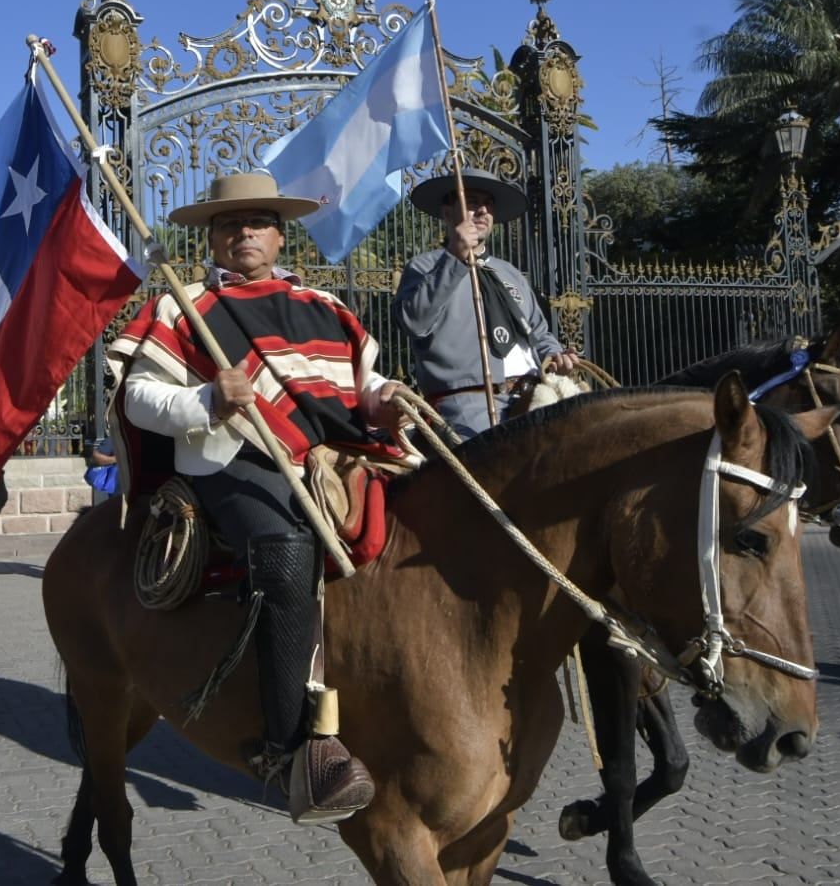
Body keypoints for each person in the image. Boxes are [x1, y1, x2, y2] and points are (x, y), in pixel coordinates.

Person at [107, 170, 407, 824]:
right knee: (282, 551)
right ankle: (289, 746)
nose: (244, 233)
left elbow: (362, 384)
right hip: (231, 457)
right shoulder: (181, 307)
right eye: (229, 224)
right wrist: (208, 400)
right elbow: (137, 397)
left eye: (259, 222)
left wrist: (382, 401)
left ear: (279, 236)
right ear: (211, 236)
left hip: (332, 456)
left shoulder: (325, 308)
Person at [392, 169, 579, 440]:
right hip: (468, 404)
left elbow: (538, 332)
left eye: (488, 204)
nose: (482, 210)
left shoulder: (510, 272)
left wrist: (555, 355)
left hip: (535, 395)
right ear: (447, 213)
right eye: (471, 201)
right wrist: (455, 257)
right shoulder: (424, 267)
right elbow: (413, 322)